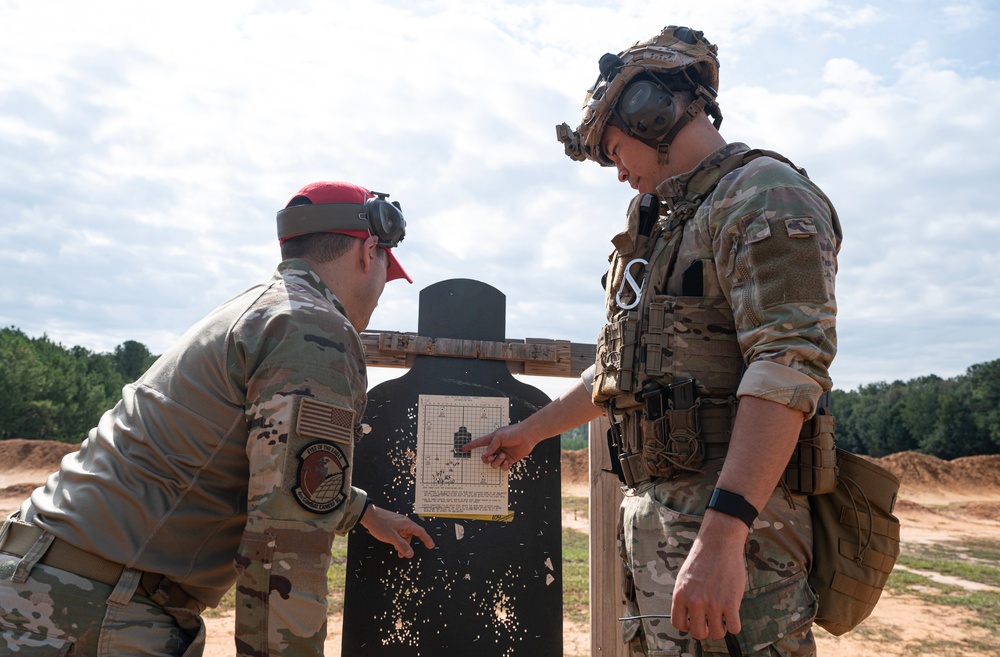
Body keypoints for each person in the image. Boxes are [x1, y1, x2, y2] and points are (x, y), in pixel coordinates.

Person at [465, 26, 841, 657]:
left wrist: (723, 536)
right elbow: (618, 373)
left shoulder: (762, 195)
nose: (619, 174)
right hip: (663, 533)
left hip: (735, 537)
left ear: (653, 113)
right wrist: (532, 431)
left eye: (616, 151)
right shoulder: (668, 227)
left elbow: (788, 366)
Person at [0, 180, 435, 657]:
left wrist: (364, 513)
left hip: (54, 586)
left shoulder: (266, 310)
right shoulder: (314, 330)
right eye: (385, 276)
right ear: (368, 252)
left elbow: (271, 468)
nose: (379, 294)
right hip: (91, 611)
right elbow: (283, 548)